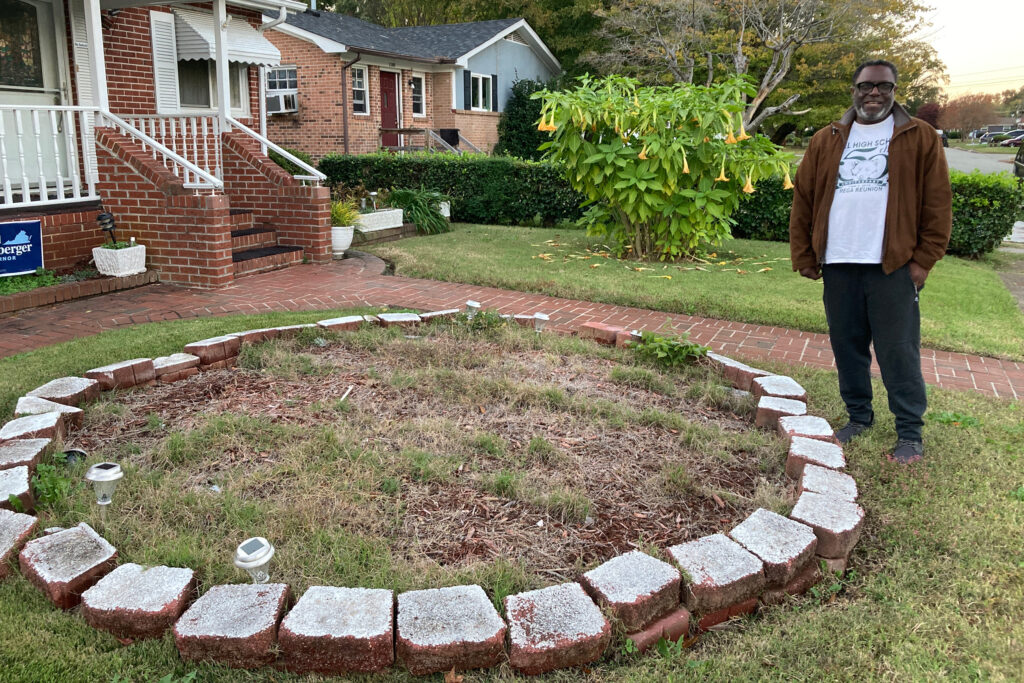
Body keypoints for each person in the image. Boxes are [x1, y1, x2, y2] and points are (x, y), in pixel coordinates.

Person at [789, 59, 952, 463]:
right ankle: (858, 418)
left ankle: (910, 432)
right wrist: (805, 254)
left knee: (898, 350)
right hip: (839, 262)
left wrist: (923, 261)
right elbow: (804, 200)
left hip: (892, 264)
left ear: (895, 90)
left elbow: (938, 203)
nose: (874, 93)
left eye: (883, 86)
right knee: (848, 346)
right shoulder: (827, 137)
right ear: (854, 90)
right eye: (866, 86)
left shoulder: (919, 136)